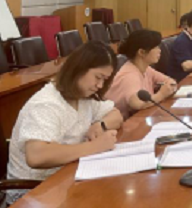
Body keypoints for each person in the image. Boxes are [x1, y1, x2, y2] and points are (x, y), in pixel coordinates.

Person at [6, 42, 123, 205]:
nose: (100, 85)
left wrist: (100, 125)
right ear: (79, 69)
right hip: (34, 192)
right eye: (98, 77)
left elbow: (116, 115)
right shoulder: (46, 104)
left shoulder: (83, 96)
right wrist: (95, 146)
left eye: (105, 80)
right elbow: (36, 156)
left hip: (67, 177)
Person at [105, 29, 177, 120]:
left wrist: (170, 86)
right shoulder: (129, 76)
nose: (159, 50)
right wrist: (161, 95)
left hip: (142, 117)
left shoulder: (146, 68)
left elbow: (170, 81)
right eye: (155, 47)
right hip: (124, 123)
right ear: (141, 52)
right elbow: (136, 104)